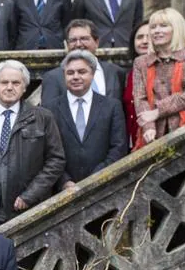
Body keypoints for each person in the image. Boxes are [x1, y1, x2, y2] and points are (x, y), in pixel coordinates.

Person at [0, 60, 66, 227]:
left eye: (16, 83)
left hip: (27, 208)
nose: (9, 87)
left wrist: (29, 195)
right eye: (4, 82)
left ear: (24, 87)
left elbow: (56, 160)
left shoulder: (43, 118)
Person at [48, 50, 129, 190]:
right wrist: (64, 181)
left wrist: (97, 177)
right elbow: (46, 150)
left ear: (92, 74)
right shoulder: (50, 108)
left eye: (82, 72)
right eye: (70, 73)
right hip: (63, 191)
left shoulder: (112, 106)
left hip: (104, 186)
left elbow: (119, 147)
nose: (75, 77)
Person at [134, 7, 185, 144]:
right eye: (153, 27)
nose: (157, 31)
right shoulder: (141, 62)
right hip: (154, 133)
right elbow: (140, 99)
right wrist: (148, 127)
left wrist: (158, 111)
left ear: (177, 29)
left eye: (163, 26)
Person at [38, 19, 127, 102]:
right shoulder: (52, 77)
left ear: (97, 42)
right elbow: (48, 115)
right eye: (73, 40)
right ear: (67, 44)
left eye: (84, 39)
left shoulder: (116, 72)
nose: (78, 44)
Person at [122, 20, 153, 148]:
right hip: (133, 141)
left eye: (149, 37)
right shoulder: (128, 74)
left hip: (153, 137)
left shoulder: (163, 69)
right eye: (139, 37)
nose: (144, 41)